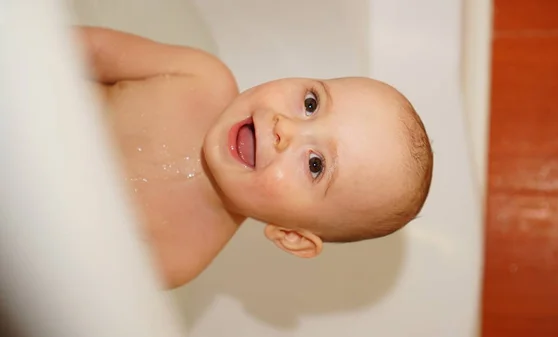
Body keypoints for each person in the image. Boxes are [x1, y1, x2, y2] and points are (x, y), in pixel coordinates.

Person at [77, 26, 434, 288]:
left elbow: (73, 277)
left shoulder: (181, 254)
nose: (286, 129)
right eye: (311, 104)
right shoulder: (197, 77)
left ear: (292, 235)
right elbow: (90, 50)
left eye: (315, 165)